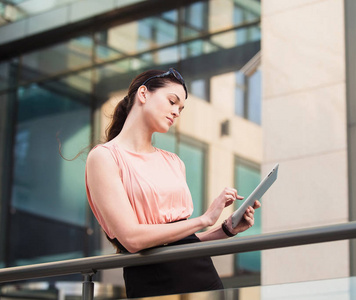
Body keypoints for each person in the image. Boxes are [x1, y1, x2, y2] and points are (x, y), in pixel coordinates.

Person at [85, 68, 260, 298]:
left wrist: (225, 230)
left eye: (180, 108)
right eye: (172, 101)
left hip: (202, 277)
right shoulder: (104, 157)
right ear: (143, 94)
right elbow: (132, 239)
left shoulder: (174, 162)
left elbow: (180, 242)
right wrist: (204, 219)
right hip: (153, 283)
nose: (176, 112)